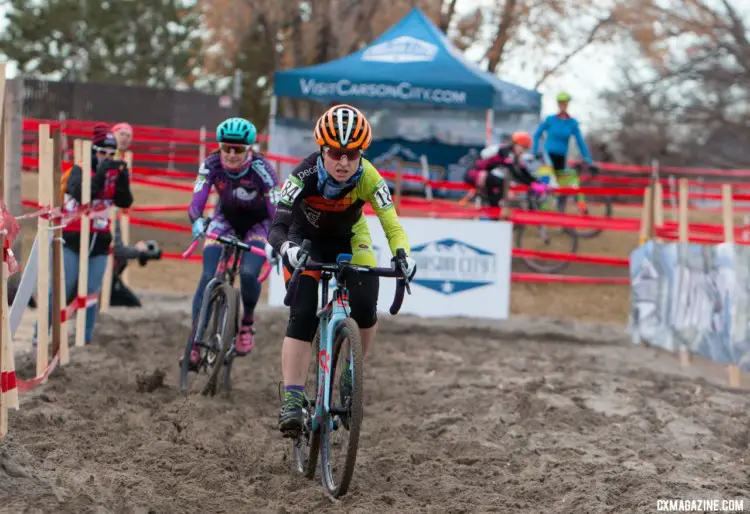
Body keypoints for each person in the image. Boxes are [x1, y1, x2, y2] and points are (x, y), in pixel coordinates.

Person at [267, 103, 417, 436]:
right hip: (304, 239)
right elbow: (277, 225)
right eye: (336, 153)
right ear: (322, 149)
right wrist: (286, 249)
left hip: (350, 237)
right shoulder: (303, 174)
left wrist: (403, 254)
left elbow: (391, 224)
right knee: (303, 312)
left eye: (352, 153)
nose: (344, 162)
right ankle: (292, 399)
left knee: (366, 304)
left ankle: (351, 373)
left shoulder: (369, 176)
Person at [183, 117, 280, 367]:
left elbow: (276, 210)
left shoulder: (263, 169)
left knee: (249, 274)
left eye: (238, 149)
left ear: (249, 149)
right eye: (227, 147)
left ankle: (246, 322)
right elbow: (198, 199)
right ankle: (194, 342)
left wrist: (277, 239)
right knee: (207, 277)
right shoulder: (211, 164)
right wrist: (196, 220)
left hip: (258, 225)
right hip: (225, 218)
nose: (232, 154)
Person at [33, 128, 134, 345]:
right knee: (62, 287)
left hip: (99, 240)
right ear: (93, 153)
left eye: (111, 154)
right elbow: (81, 195)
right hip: (72, 239)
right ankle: (39, 336)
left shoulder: (114, 175)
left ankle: (84, 340)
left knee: (90, 291)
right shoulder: (78, 170)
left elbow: (124, 202)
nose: (107, 159)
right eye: (102, 154)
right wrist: (101, 173)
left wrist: (123, 178)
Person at [464, 131, 548, 212]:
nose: (523, 151)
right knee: (500, 184)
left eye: (526, 148)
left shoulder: (513, 155)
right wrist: (531, 184)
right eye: (523, 147)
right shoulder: (505, 151)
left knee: (499, 187)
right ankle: (493, 211)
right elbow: (514, 172)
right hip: (474, 174)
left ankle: (494, 212)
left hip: (483, 175)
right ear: (515, 144)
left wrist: (536, 182)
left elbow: (523, 171)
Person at [532, 92, 594, 173]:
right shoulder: (550, 119)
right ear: (558, 104)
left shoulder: (572, 123)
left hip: (562, 156)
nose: (563, 105)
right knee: (550, 178)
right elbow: (537, 135)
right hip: (548, 154)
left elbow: (580, 142)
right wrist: (535, 151)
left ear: (568, 104)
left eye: (565, 103)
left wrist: (587, 158)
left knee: (562, 180)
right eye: (560, 103)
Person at [110, 217, 162, 307]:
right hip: (105, 277)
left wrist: (136, 250)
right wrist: (137, 250)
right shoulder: (110, 218)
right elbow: (118, 250)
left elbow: (117, 249)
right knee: (133, 304)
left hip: (106, 275)